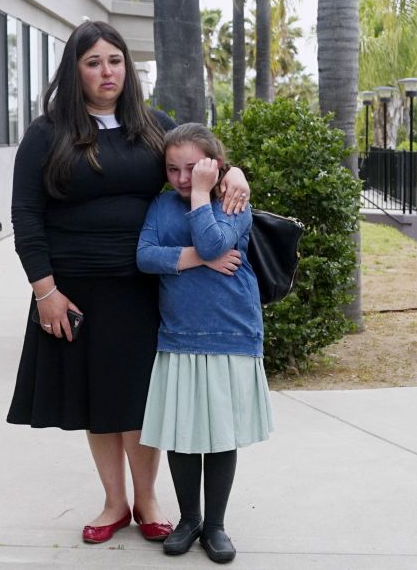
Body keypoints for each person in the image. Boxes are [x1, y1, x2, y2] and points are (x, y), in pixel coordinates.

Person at [6, 21, 252, 545]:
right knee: (98, 401)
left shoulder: (153, 126)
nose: (106, 72)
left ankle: (148, 500)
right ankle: (114, 503)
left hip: (146, 286)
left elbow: (200, 157)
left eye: (114, 60)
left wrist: (234, 173)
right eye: (93, 62)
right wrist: (45, 292)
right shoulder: (47, 133)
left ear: (127, 67)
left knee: (142, 399)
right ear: (75, 71)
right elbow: (25, 216)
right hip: (76, 288)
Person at [136, 123, 274, 563]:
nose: (182, 178)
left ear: (215, 165)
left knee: (219, 434)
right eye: (173, 169)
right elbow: (145, 256)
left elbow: (215, 241)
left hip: (229, 332)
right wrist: (196, 259)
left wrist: (201, 193)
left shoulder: (234, 200)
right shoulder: (160, 205)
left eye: (192, 169)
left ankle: (215, 525)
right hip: (179, 334)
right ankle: (189, 520)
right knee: (181, 434)